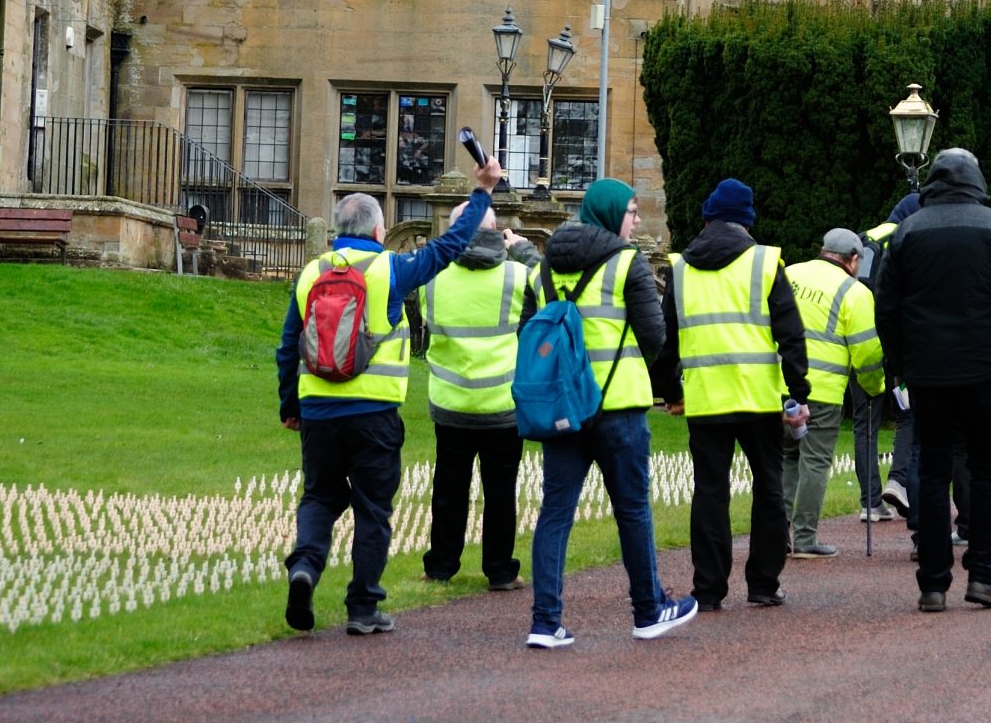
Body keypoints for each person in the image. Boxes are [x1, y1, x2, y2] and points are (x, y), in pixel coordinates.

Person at [276, 153, 498, 636]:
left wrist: (290, 406)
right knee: (373, 509)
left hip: (318, 410)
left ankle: (306, 567)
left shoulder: (311, 273)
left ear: (338, 229)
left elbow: (288, 344)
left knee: (318, 496)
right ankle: (362, 607)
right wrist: (482, 191)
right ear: (379, 232)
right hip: (374, 413)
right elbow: (452, 245)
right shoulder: (390, 270)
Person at [527, 179, 698, 648]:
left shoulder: (542, 269)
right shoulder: (627, 264)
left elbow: (532, 335)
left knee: (556, 512)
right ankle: (648, 609)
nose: (636, 219)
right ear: (609, 214)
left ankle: (545, 622)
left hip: (564, 408)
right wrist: (669, 389)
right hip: (617, 407)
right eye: (631, 211)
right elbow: (655, 339)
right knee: (633, 510)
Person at [871, 148, 991, 613]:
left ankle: (933, 583)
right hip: (985, 368)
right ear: (976, 180)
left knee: (931, 468)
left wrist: (902, 362)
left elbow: (887, 306)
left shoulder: (907, 231)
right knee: (985, 470)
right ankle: (983, 576)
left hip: (927, 370)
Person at [664, 178, 811, 611]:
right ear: (747, 222)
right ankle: (764, 583)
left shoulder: (680, 268)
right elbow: (791, 333)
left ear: (708, 218)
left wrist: (670, 391)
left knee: (710, 492)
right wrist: (798, 392)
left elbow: (666, 339)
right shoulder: (765, 262)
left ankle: (708, 591)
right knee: (769, 489)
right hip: (757, 398)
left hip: (705, 399)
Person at [413, 206, 534, 591]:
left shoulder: (431, 278)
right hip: (502, 401)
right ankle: (500, 570)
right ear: (497, 231)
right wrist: (525, 250)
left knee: (449, 489)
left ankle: (440, 566)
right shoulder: (517, 275)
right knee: (501, 491)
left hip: (451, 401)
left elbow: (424, 322)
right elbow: (555, 292)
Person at [783, 227, 885, 558]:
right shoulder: (854, 292)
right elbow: (867, 354)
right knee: (814, 461)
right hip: (822, 391)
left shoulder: (788, 273)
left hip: (779, 385)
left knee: (784, 457)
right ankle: (805, 538)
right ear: (853, 260)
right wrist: (875, 387)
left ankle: (775, 534)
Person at [860, 192, 920, 524]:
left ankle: (869, 501)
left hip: (861, 337)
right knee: (911, 413)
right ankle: (900, 480)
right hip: (897, 337)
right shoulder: (908, 237)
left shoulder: (867, 238)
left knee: (863, 424)